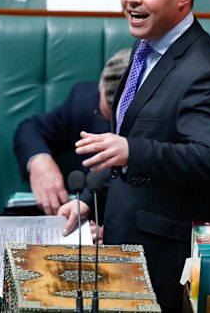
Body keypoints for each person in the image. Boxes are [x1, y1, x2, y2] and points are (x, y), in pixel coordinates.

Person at [58, 0, 210, 312]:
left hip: (164, 261)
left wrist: (131, 151)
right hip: (123, 251)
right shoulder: (146, 50)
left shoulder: (206, 70)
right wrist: (90, 203)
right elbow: (128, 145)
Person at [13, 48, 130, 216]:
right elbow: (30, 129)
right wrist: (39, 160)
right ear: (101, 88)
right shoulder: (84, 100)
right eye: (105, 116)